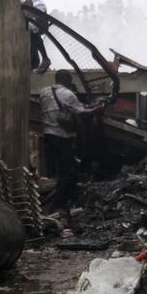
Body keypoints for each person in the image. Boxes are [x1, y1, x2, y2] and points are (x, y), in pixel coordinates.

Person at [39, 70, 103, 221]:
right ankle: (56, 206)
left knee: (62, 170)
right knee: (67, 171)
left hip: (48, 134)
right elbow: (83, 113)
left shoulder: (44, 91)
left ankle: (69, 200)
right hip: (61, 136)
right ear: (68, 80)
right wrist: (97, 109)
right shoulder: (68, 94)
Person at [18, 0, 51, 73]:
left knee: (33, 40)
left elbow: (31, 9)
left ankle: (37, 63)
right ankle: (42, 61)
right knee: (34, 40)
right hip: (38, 20)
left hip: (37, 20)